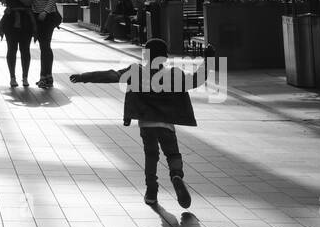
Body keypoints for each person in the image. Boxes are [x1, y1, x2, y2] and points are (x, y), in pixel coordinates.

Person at [70, 38, 216, 208]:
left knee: (151, 156)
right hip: (166, 125)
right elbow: (197, 79)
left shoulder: (135, 71)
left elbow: (111, 75)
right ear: (165, 58)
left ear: (145, 56)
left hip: (146, 125)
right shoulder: (173, 74)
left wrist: (83, 77)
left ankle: (151, 191)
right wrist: (209, 60)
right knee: (173, 154)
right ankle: (176, 175)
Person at [0, 0, 34, 87]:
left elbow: (27, 1)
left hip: (24, 18)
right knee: (11, 49)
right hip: (10, 18)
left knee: (25, 49)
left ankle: (25, 77)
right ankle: (12, 77)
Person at [27, 0, 59, 89]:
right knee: (44, 47)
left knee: (45, 46)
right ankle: (47, 76)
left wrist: (45, 11)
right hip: (39, 17)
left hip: (47, 17)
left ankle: (45, 77)